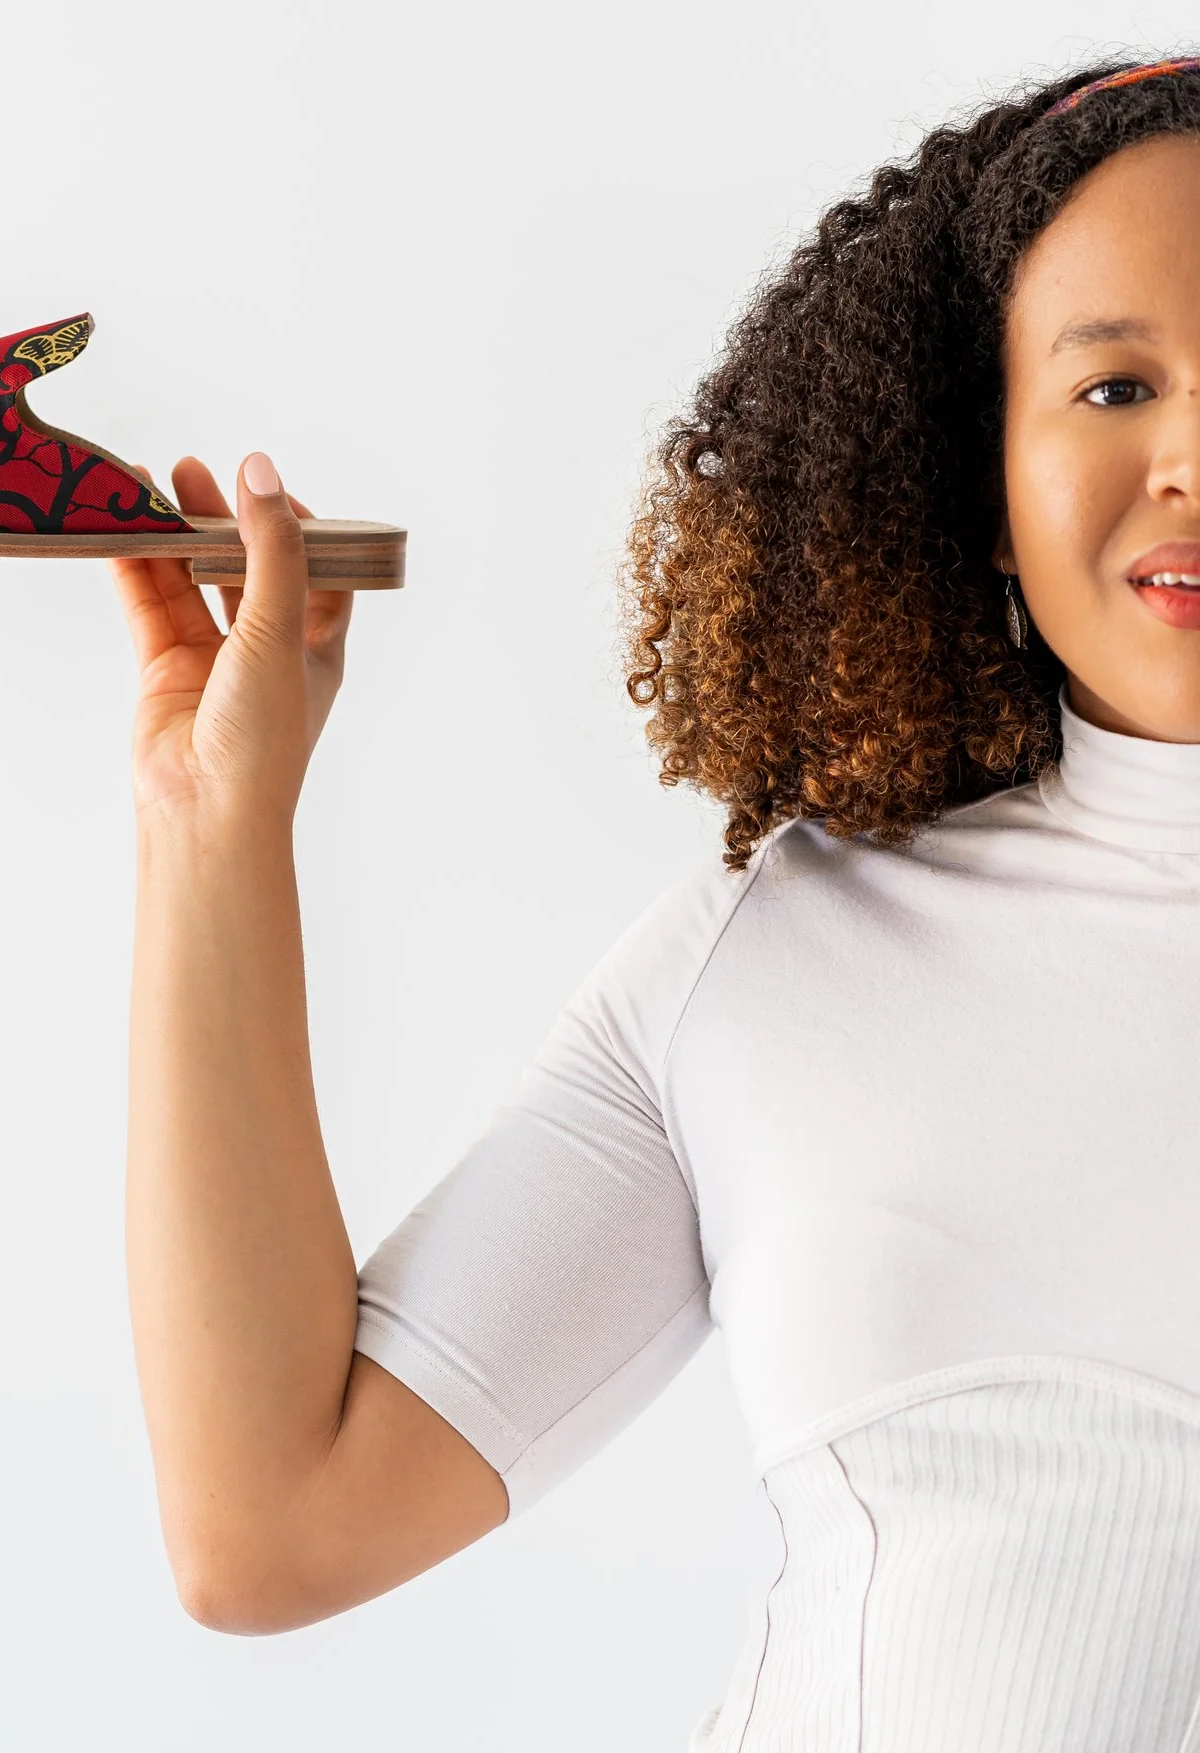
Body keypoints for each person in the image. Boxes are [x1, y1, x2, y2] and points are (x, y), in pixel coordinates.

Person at [111, 56, 1200, 1751]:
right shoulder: (785, 956)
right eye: (1114, 385)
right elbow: (275, 1523)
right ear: (979, 482)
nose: (1191, 453)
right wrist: (211, 820)